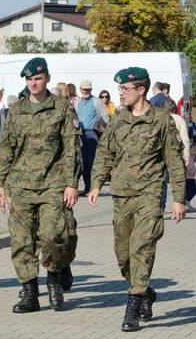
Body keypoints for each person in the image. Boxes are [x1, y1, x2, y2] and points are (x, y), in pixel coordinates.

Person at [88, 67, 186, 332]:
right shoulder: (118, 121)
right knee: (123, 255)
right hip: (121, 195)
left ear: (141, 89)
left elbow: (174, 161)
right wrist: (96, 183)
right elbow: (104, 154)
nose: (120, 94)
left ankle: (131, 307)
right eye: (119, 89)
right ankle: (145, 292)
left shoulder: (162, 121)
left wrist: (179, 198)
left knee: (141, 248)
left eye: (125, 89)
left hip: (150, 195)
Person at [0, 57, 81, 313]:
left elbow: (71, 148)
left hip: (53, 184)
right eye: (30, 79)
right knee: (21, 241)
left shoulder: (62, 108)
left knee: (55, 237)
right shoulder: (16, 111)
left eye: (38, 78)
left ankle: (54, 275)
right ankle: (30, 293)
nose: (34, 83)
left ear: (47, 79)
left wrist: (71, 183)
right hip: (20, 186)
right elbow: (5, 149)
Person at [74, 80, 109, 196]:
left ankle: (93, 188)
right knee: (83, 163)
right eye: (84, 89)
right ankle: (87, 187)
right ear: (80, 89)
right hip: (79, 134)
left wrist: (104, 134)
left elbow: (105, 118)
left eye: (88, 89)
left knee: (92, 162)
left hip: (92, 133)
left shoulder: (96, 101)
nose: (85, 91)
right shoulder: (77, 102)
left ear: (91, 89)